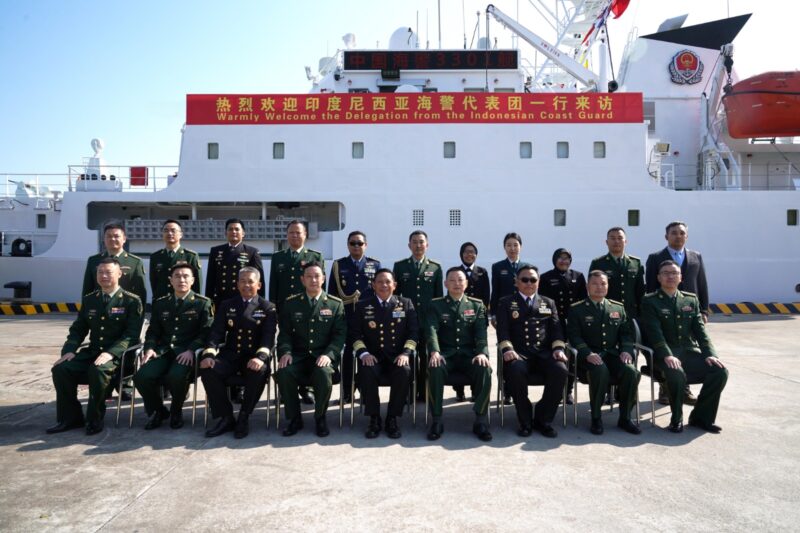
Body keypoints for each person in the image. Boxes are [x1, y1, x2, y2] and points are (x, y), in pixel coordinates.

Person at [49, 257, 144, 435]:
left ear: (119, 274)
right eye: (100, 272)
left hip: (118, 357)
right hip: (92, 352)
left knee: (97, 371)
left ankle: (94, 419)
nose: (104, 276)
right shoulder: (90, 299)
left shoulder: (131, 301)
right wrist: (69, 351)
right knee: (61, 369)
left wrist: (111, 353)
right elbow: (78, 329)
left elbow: (132, 335)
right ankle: (70, 417)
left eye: (109, 272)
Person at [640, 260, 728, 434]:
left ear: (681, 277)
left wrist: (710, 354)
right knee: (676, 374)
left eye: (674, 273)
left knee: (720, 372)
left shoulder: (691, 299)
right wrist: (667, 355)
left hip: (689, 352)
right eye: (666, 273)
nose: (670, 276)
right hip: (664, 356)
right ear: (659, 278)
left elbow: (700, 331)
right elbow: (654, 332)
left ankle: (701, 418)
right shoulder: (650, 301)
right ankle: (676, 419)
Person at [199, 267, 277, 439]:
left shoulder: (267, 307)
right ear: (237, 284)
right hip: (231, 355)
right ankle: (226, 417)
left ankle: (244, 416)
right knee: (207, 369)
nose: (246, 285)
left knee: (260, 370)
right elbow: (216, 333)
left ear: (259, 285)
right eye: (242, 281)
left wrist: (261, 357)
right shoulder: (227, 305)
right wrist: (209, 355)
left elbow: (268, 337)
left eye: (250, 281)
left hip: (253, 355)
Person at [134, 263, 212, 430]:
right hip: (163, 352)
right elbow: (153, 331)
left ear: (192, 280)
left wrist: (192, 350)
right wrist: (149, 348)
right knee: (142, 376)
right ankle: (158, 410)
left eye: (185, 276)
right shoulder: (161, 303)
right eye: (177, 276)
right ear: (170, 280)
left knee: (176, 376)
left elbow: (206, 332)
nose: (181, 280)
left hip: (187, 352)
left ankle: (176, 411)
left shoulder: (202, 303)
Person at [495, 264, 568, 438]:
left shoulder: (548, 303)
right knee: (515, 370)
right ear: (516, 282)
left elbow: (557, 329)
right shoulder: (506, 302)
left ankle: (543, 419)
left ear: (539, 281)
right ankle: (525, 420)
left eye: (533, 279)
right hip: (519, 354)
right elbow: (502, 330)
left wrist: (558, 348)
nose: (529, 283)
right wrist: (507, 349)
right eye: (525, 280)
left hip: (544, 354)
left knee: (561, 370)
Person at [275, 262, 346, 438]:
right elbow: (284, 334)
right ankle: (294, 419)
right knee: (284, 372)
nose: (313, 280)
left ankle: (320, 417)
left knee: (323, 373)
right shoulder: (292, 303)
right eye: (309, 276)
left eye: (317, 276)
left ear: (323, 279)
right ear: (302, 279)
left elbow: (339, 336)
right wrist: (286, 352)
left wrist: (329, 355)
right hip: (297, 356)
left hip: (322, 356)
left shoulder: (335, 304)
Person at [567, 271, 641, 435]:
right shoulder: (577, 309)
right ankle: (596, 417)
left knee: (631, 372)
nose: (599, 287)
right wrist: (587, 353)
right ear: (587, 287)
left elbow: (626, 334)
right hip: (588, 358)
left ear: (608, 286)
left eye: (603, 284)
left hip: (612, 355)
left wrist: (627, 351)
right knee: (600, 370)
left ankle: (625, 417)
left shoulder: (617, 308)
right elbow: (574, 336)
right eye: (594, 284)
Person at [645, 221, 709, 405]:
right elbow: (650, 287)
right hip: (663, 314)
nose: (678, 236)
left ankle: (685, 389)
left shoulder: (696, 256)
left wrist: (704, 309)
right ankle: (665, 388)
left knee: (688, 351)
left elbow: (702, 284)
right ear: (667, 236)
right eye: (674, 233)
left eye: (681, 233)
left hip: (690, 313)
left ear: (686, 236)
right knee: (667, 352)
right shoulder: (655, 257)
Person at [425, 267, 492, 442]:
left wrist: (482, 353)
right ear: (445, 283)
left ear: (466, 283)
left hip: (469, 355)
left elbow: (481, 334)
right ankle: (437, 420)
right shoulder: (435, 304)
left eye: (460, 280)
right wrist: (435, 351)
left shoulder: (476, 305)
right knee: (435, 367)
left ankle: (481, 420)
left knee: (484, 368)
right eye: (452, 280)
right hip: (445, 355)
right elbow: (431, 330)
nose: (456, 284)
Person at [350, 269, 417, 439]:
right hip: (374, 357)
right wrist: (364, 353)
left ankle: (392, 418)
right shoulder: (363, 305)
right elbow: (354, 334)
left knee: (404, 371)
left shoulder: (406, 303)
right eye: (379, 282)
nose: (384, 285)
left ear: (394, 285)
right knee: (366, 370)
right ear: (373, 285)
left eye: (388, 282)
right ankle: (374, 418)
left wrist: (406, 353)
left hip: (397, 357)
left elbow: (413, 333)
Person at [269, 219, 324, 405]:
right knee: (285, 345)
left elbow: (319, 284)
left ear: (305, 235)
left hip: (308, 310)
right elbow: (274, 286)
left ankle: (307, 389)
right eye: (291, 232)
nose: (295, 235)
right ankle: (286, 388)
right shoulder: (278, 257)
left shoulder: (314, 256)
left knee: (307, 345)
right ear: (287, 235)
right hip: (285, 311)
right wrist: (273, 309)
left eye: (298, 232)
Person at [328, 230, 381, 403]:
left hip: (368, 318)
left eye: (359, 243)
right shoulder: (338, 265)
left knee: (367, 356)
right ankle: (347, 392)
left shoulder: (375, 264)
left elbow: (379, 292)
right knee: (348, 357)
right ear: (348, 245)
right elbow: (333, 295)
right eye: (352, 243)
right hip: (347, 317)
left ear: (365, 245)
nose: (356, 246)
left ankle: (366, 391)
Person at [393, 230, 443, 401]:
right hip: (408, 321)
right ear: (409, 245)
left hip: (427, 321)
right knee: (409, 356)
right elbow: (396, 297)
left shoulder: (435, 267)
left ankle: (424, 391)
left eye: (421, 242)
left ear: (427, 245)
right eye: (414, 242)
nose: (418, 245)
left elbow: (438, 298)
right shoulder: (400, 266)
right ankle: (410, 391)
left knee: (426, 356)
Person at [538, 247, 587, 405]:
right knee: (556, 356)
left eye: (567, 258)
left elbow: (583, 301)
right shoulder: (545, 277)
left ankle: (568, 391)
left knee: (571, 358)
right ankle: (556, 391)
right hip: (553, 323)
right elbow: (542, 302)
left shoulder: (578, 276)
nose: (563, 261)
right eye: (560, 258)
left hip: (573, 323)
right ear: (554, 260)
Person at [454, 241, 490, 401]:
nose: (470, 254)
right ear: (461, 254)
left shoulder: (482, 272)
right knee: (459, 350)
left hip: (477, 317)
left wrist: (484, 316)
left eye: (473, 252)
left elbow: (486, 295)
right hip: (460, 319)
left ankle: (476, 390)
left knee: (478, 352)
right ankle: (459, 390)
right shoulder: (456, 272)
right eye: (467, 252)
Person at [82, 222, 147, 307]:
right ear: (103, 239)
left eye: (116, 236)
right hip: (99, 309)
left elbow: (140, 293)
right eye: (109, 236)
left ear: (124, 239)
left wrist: (138, 316)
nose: (112, 239)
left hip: (125, 310)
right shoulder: (93, 260)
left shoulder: (135, 262)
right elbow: (87, 290)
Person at [205, 218, 264, 307]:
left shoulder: (252, 252)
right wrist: (209, 302)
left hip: (244, 299)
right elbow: (210, 279)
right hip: (221, 300)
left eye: (237, 229)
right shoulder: (215, 251)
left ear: (243, 233)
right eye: (230, 229)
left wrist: (259, 303)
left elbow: (259, 279)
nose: (234, 232)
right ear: (226, 233)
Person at [588, 227, 644, 319]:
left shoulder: (635, 263)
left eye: (620, 238)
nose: (616, 241)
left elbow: (640, 291)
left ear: (625, 241)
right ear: (606, 242)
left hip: (630, 314)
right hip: (607, 313)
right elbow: (592, 291)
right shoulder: (598, 263)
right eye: (613, 238)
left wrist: (640, 315)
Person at [149, 219, 202, 302]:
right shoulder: (155, 257)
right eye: (166, 231)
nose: (169, 233)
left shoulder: (190, 256)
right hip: (162, 303)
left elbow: (197, 284)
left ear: (180, 234)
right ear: (162, 234)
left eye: (173, 230)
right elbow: (154, 283)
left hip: (185, 302)